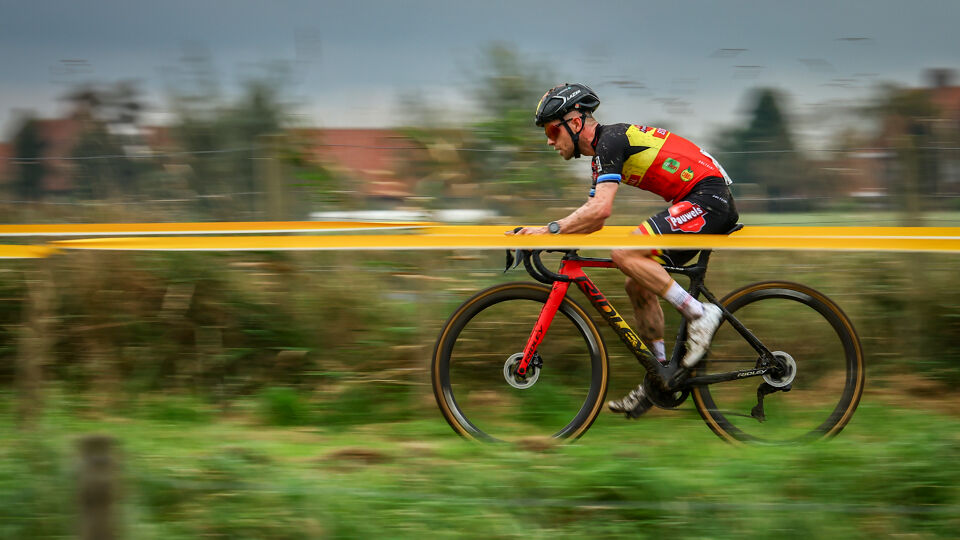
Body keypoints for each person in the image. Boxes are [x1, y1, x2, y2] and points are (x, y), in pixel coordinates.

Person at [510, 83, 739, 418]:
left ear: (575, 123)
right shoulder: (602, 155)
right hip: (695, 200)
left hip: (708, 199)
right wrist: (555, 233)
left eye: (551, 129)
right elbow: (592, 220)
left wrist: (549, 230)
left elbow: (600, 211)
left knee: (625, 254)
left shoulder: (611, 141)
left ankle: (700, 314)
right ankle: (661, 375)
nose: (548, 140)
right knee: (637, 280)